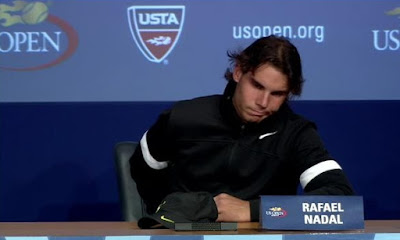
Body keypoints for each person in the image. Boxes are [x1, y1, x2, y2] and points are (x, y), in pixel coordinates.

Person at [130, 35, 354, 223]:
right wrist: (179, 211)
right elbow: (143, 169)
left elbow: (341, 202)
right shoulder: (184, 117)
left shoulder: (296, 134)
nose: (263, 102)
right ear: (238, 72)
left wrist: (253, 211)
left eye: (277, 94)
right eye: (257, 86)